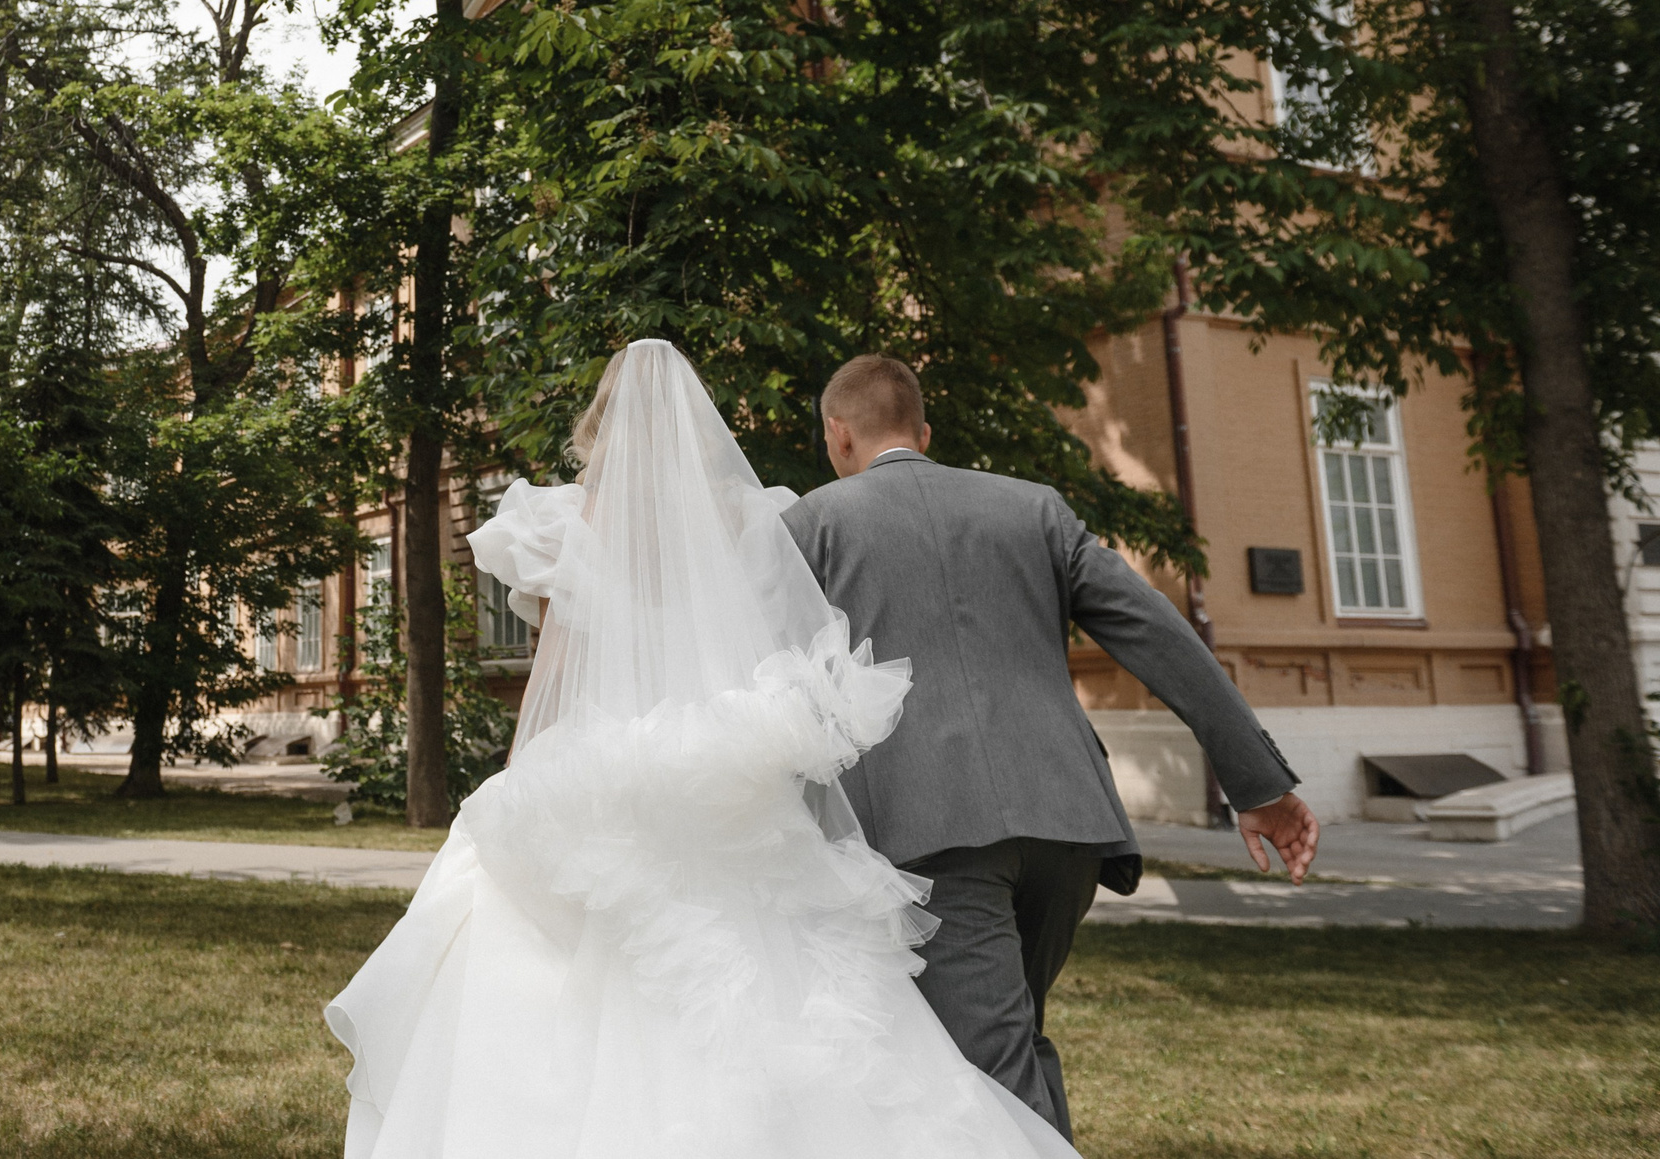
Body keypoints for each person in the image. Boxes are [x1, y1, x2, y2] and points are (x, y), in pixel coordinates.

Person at [325, 340, 1079, 1159]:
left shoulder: (568, 521)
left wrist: (521, 785)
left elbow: (559, 670)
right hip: (722, 776)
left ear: (602, 425)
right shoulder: (755, 517)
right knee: (784, 974)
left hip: (607, 768)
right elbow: (771, 650)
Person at [781, 353, 1320, 1139]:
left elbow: (767, 682)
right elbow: (1159, 633)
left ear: (838, 434)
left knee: (990, 1076)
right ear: (924, 431)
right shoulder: (1035, 509)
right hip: (1066, 826)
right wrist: (1257, 783)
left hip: (932, 831)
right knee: (1016, 1041)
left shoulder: (810, 525)